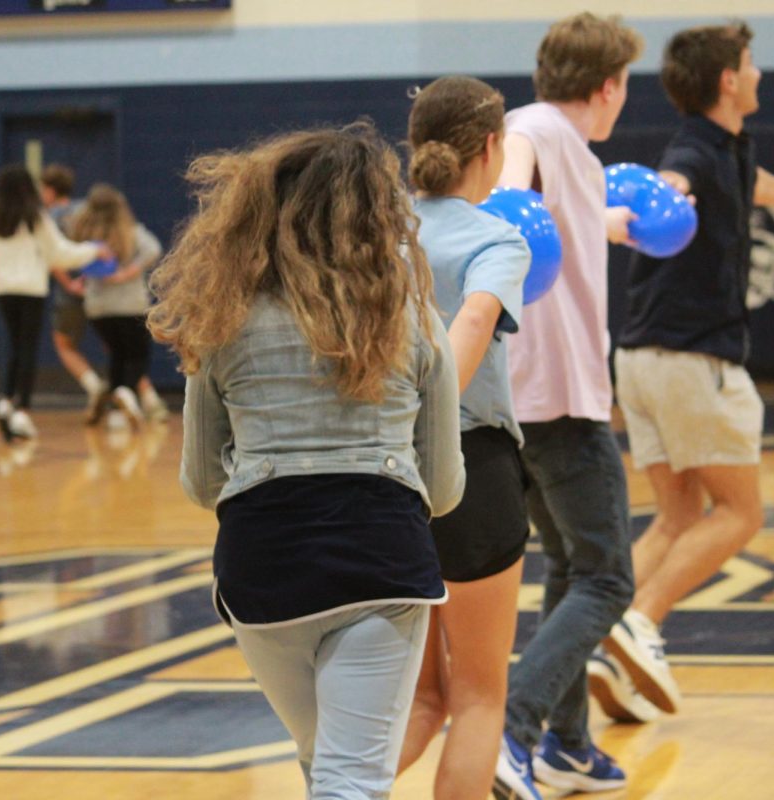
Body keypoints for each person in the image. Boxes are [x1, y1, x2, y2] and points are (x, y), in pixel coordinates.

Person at [148, 122, 465, 798]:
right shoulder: (412, 318)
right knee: (349, 778)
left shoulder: (221, 324)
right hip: (383, 559)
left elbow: (202, 481)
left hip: (261, 569)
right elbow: (441, 488)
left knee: (325, 762)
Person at [597, 22, 774, 722]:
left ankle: (602, 640)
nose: (758, 73)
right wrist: (640, 205)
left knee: (677, 514)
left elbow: (749, 183)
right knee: (741, 513)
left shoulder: (728, 146)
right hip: (693, 357)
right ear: (728, 79)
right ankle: (641, 620)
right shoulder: (692, 149)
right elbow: (678, 181)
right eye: (750, 63)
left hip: (639, 358)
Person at [492, 13, 642, 799]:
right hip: (560, 403)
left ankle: (570, 746)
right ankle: (512, 732)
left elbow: (564, 221)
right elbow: (512, 173)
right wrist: (507, 198)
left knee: (572, 567)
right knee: (610, 579)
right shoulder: (536, 129)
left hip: (536, 401)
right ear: (609, 86)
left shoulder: (573, 153)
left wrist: (614, 224)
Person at [396, 75, 532, 800]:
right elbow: (475, 323)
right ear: (490, 146)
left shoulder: (375, 233)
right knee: (479, 696)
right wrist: (432, 414)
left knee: (417, 700)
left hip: (382, 473)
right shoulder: (497, 237)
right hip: (469, 468)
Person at [0, 164, 103, 440]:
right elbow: (60, 254)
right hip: (30, 289)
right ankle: (23, 411)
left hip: (4, 289)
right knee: (27, 349)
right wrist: (94, 250)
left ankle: (6, 401)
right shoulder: (36, 216)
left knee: (14, 346)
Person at [69, 184, 163, 428]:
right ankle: (126, 392)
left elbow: (73, 257)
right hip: (130, 304)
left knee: (117, 354)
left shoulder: (85, 233)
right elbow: (153, 248)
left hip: (98, 308)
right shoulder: (129, 230)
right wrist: (127, 273)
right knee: (138, 354)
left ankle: (114, 395)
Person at [40, 164, 106, 419]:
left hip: (70, 293)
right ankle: (136, 394)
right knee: (113, 342)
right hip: (99, 287)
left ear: (49, 190)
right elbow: (100, 248)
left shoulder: (48, 218)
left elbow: (52, 257)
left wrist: (69, 284)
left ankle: (94, 386)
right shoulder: (86, 210)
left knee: (64, 344)